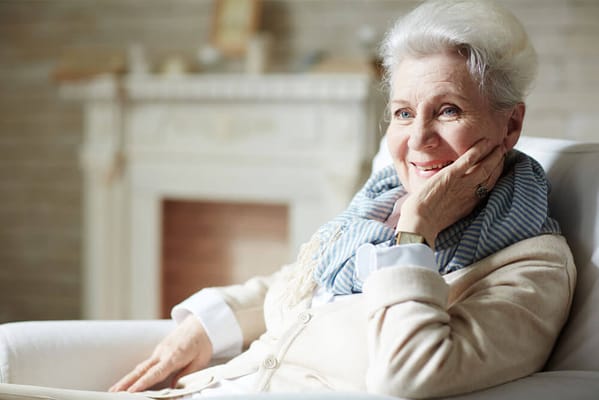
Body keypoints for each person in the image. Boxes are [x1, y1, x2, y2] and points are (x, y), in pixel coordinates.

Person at [0, 0, 576, 399]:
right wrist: (208, 324)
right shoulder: (378, 210)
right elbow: (301, 285)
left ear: (510, 126)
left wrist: (417, 234)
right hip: (216, 384)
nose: (417, 139)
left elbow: (412, 374)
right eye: (403, 112)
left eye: (447, 110)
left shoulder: (532, 269)